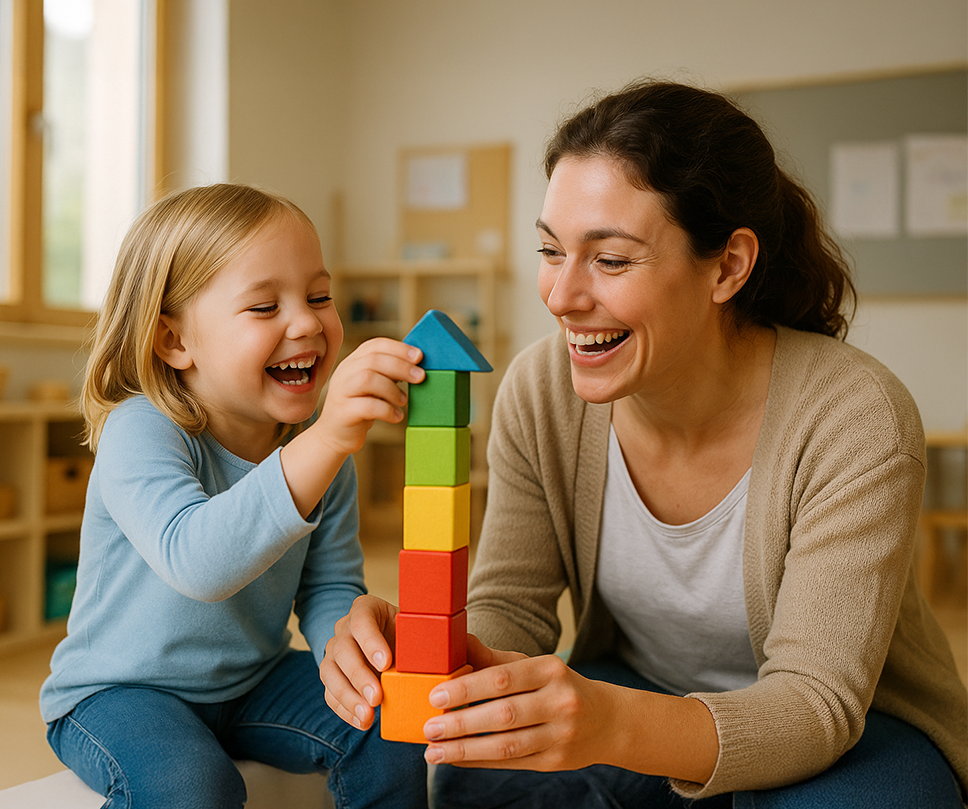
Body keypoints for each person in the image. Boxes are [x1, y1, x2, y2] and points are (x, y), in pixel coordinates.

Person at [319, 81, 968, 808]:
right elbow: (512, 608)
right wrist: (426, 647)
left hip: (853, 729)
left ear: (727, 266)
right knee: (475, 780)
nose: (561, 295)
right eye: (550, 250)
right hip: (635, 688)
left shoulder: (854, 416)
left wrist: (615, 728)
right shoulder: (542, 389)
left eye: (612, 260)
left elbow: (817, 703)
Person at [40, 183, 429, 809]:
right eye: (263, 308)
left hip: (254, 681)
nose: (306, 321)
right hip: (119, 692)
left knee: (390, 725)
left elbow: (329, 586)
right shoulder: (141, 428)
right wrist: (327, 437)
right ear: (174, 342)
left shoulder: (317, 449)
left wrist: (346, 653)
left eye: (319, 297)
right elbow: (197, 561)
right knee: (195, 787)